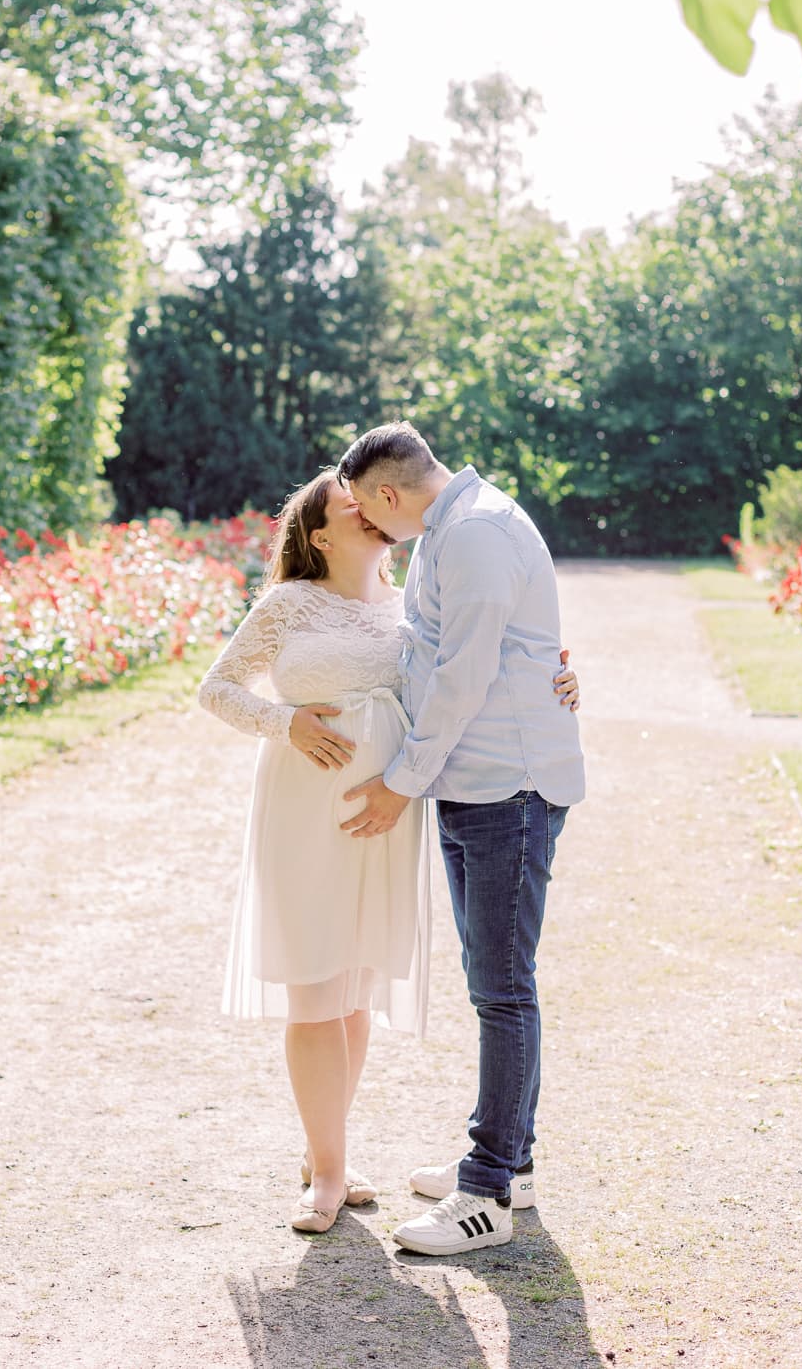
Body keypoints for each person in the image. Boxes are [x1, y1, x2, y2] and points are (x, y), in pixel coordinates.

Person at [197, 470, 579, 1235]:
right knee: (313, 989)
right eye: (351, 507)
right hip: (304, 812)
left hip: (384, 819)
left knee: (353, 991)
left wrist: (556, 676)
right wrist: (286, 721)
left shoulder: (412, 603)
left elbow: (481, 660)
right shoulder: (287, 605)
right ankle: (329, 1172)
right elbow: (217, 688)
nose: (371, 515)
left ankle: (325, 1143)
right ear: (320, 534)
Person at [336, 422, 586, 1257]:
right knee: (498, 983)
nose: (371, 529)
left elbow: (465, 674)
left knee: (503, 988)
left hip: (505, 785)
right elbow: (447, 653)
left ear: (387, 493)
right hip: (478, 780)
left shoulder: (474, 533)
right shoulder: (457, 527)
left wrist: (400, 778)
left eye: (369, 513)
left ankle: (487, 1194)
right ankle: (504, 1158)